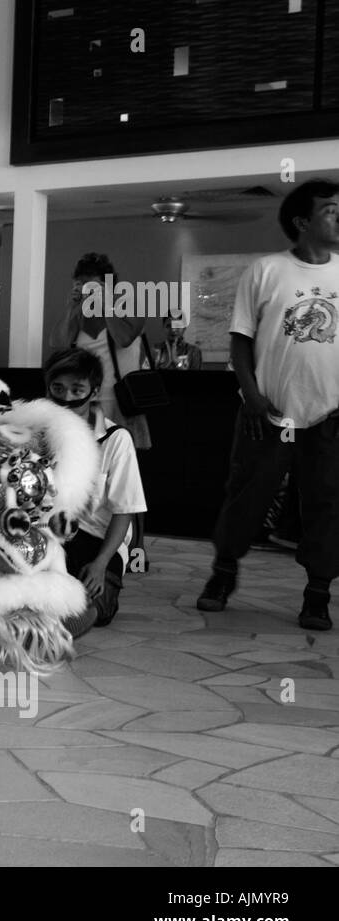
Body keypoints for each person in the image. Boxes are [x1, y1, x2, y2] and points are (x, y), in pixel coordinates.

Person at [197, 179, 339, 631]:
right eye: (330, 210)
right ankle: (222, 575)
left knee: (327, 504)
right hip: (269, 412)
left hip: (329, 416)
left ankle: (318, 594)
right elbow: (240, 341)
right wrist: (254, 399)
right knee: (246, 497)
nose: (338, 217)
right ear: (302, 222)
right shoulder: (265, 271)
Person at [44, 347, 148, 627]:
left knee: (97, 606)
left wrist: (102, 563)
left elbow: (125, 511)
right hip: (48, 535)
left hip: (97, 541)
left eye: (77, 389)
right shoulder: (35, 433)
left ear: (94, 391)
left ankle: (70, 617)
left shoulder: (116, 440)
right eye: (58, 388)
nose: (66, 398)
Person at [52, 252, 153, 451]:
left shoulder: (130, 305)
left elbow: (123, 339)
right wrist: (71, 308)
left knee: (118, 457)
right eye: (80, 283)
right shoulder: (80, 313)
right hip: (83, 400)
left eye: (92, 284)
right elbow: (58, 344)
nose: (86, 290)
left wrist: (106, 304)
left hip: (121, 400)